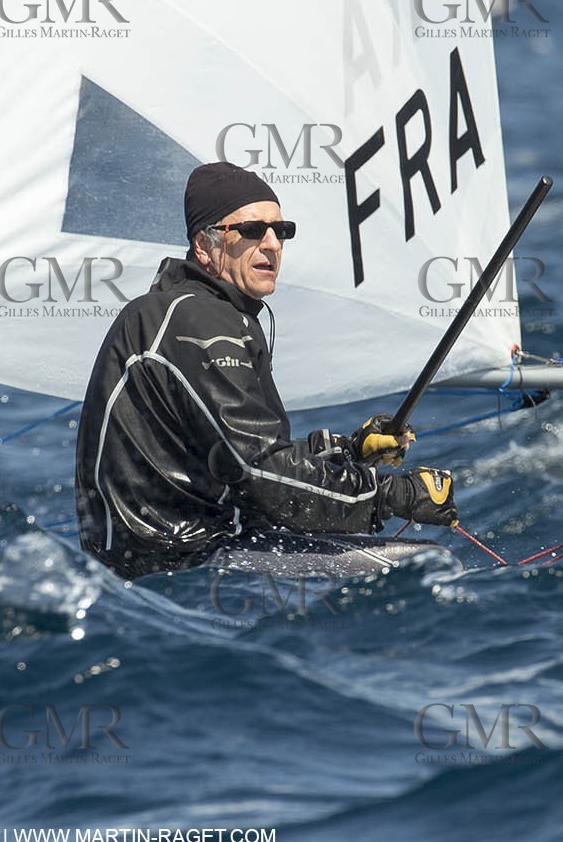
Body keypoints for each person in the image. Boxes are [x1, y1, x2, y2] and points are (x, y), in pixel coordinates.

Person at [74, 161, 458, 578]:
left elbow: (235, 458)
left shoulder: (200, 312)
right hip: (173, 564)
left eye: (282, 231)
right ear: (205, 245)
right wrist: (389, 495)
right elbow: (258, 471)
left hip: (184, 552)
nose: (273, 244)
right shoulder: (196, 321)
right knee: (425, 563)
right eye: (253, 231)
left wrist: (349, 452)